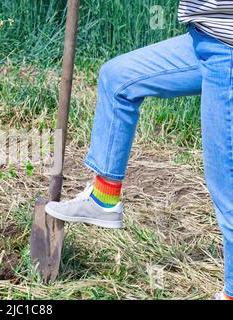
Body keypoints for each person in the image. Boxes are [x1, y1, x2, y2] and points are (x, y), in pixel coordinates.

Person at [45, 0, 233, 300]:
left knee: (226, 185)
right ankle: (103, 199)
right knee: (118, 79)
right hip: (204, 39)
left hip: (227, 48)